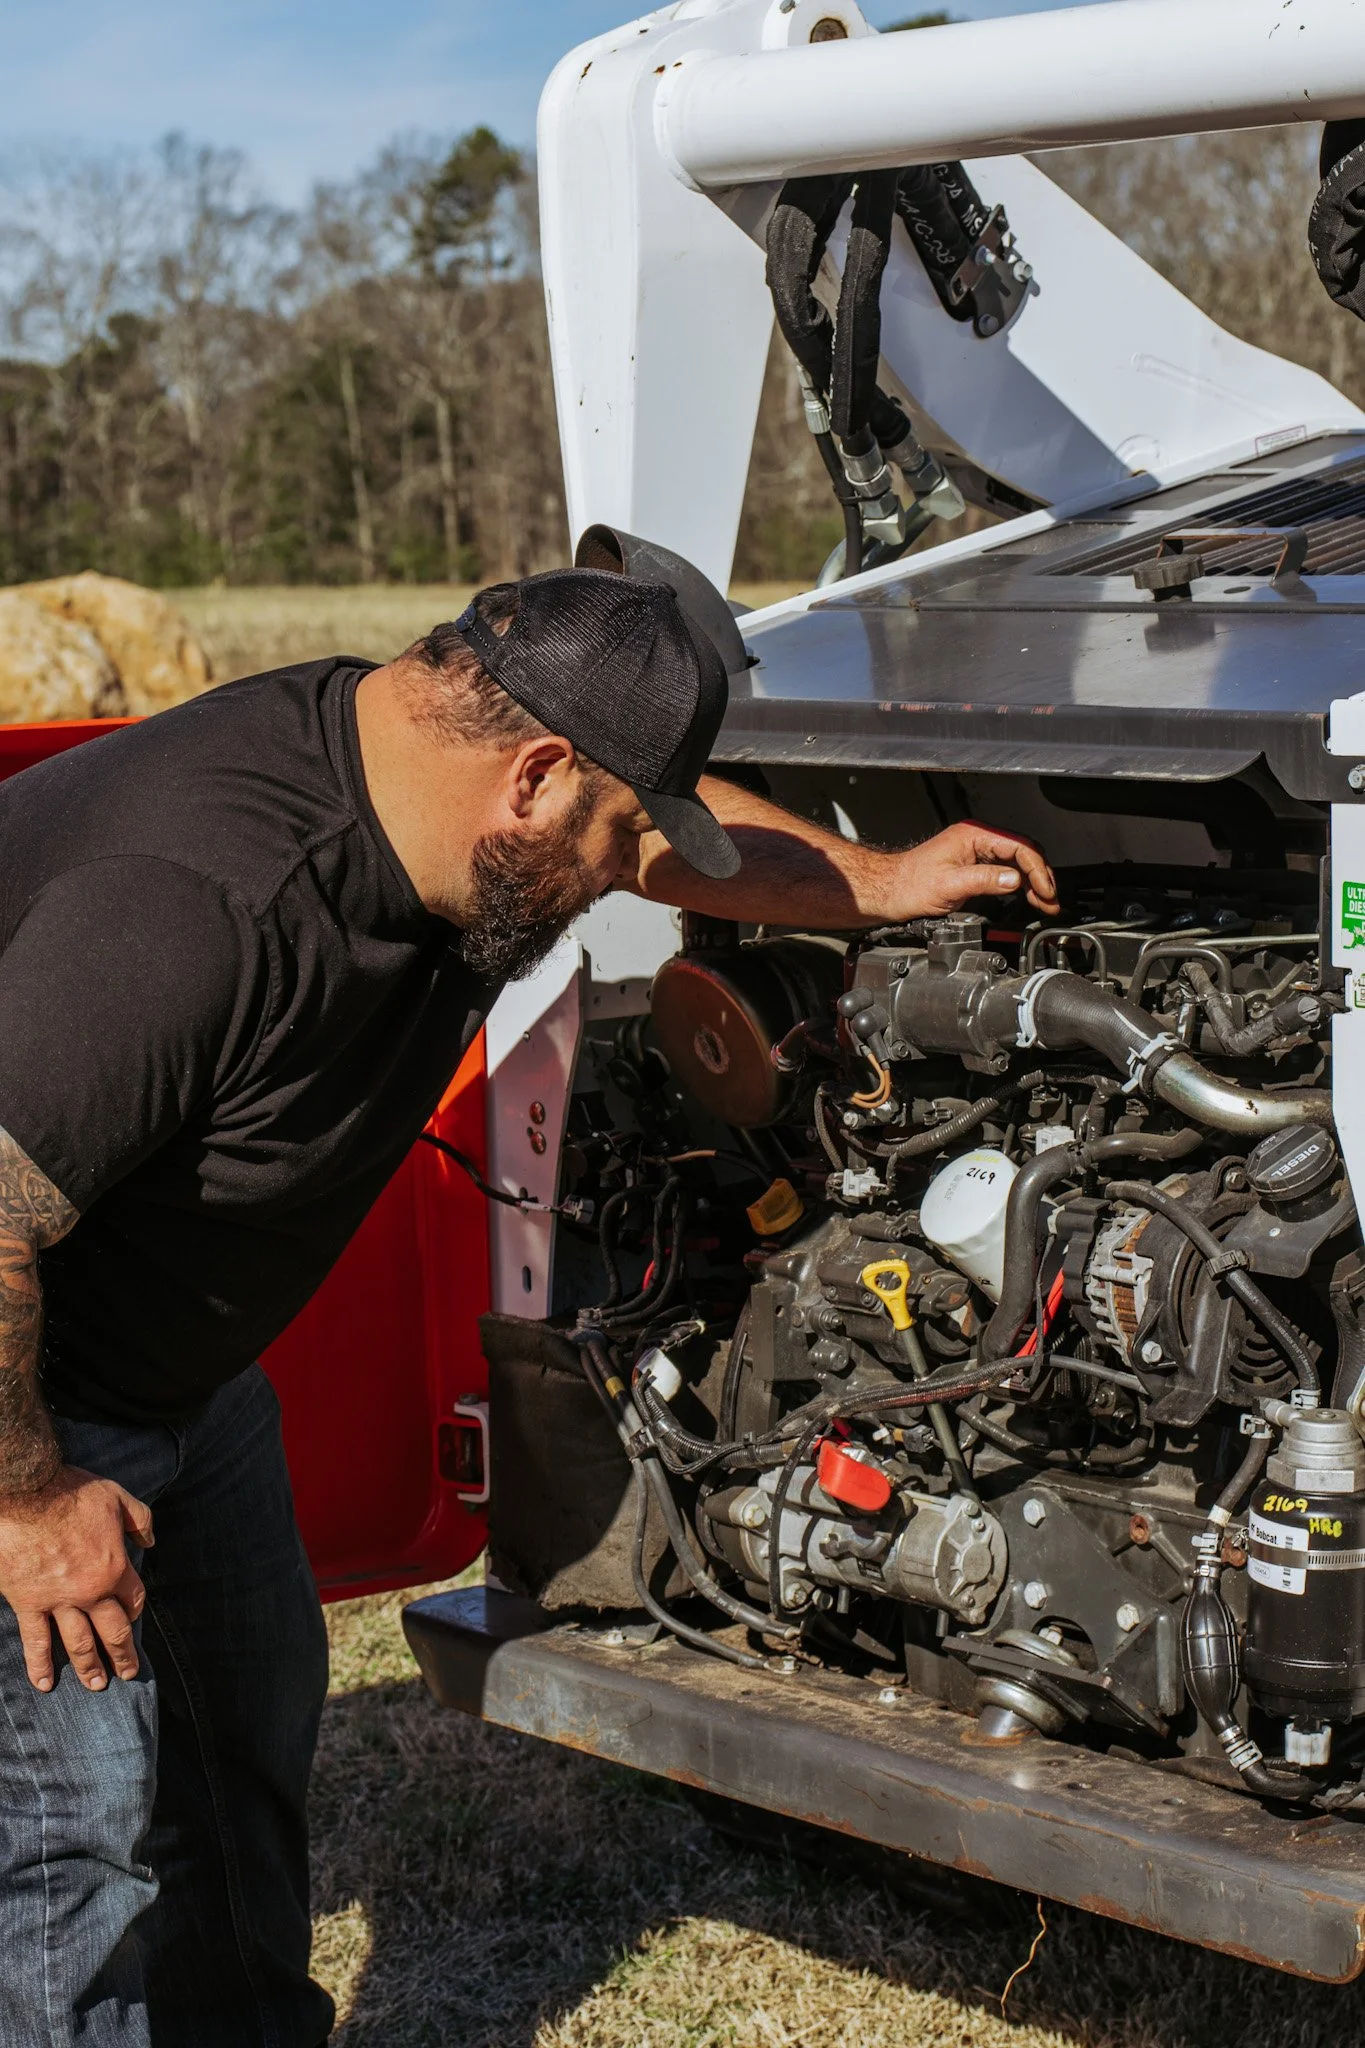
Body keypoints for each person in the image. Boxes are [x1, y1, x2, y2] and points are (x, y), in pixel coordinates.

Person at [0, 565, 1056, 2045]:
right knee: (65, 1848)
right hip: (23, 1395)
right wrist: (33, 1503)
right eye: (618, 839)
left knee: (240, 1739)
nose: (635, 871)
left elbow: (687, 844)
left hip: (174, 1378)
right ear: (538, 774)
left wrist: (878, 883)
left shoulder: (442, 766)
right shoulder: (199, 902)